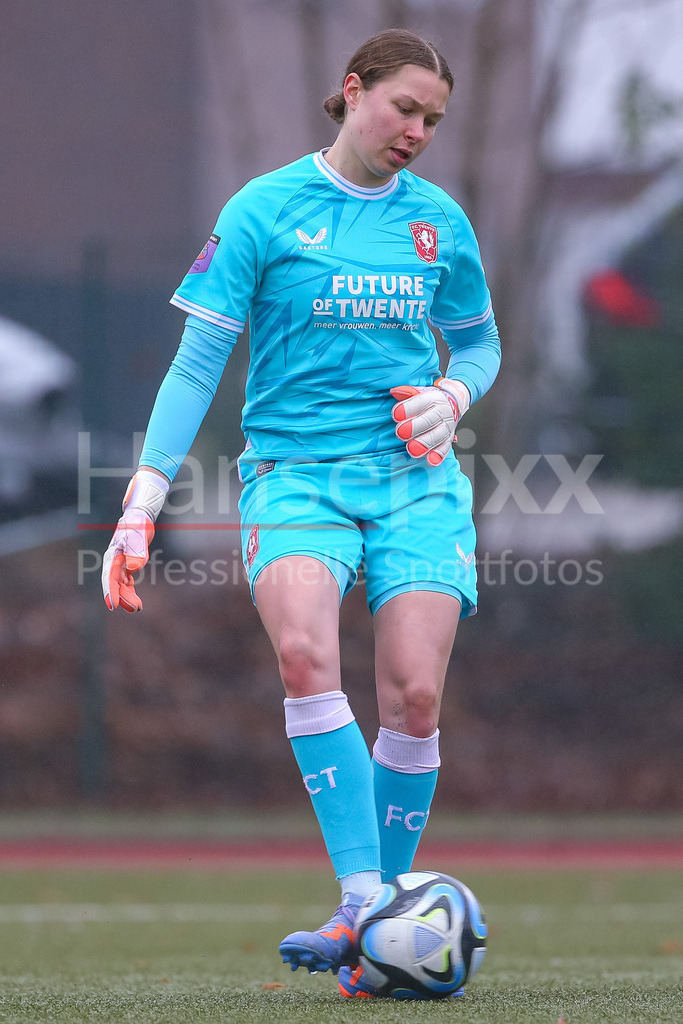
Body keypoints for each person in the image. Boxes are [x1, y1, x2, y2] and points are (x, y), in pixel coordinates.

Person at [101, 28, 501, 999]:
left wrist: (451, 396)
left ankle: (373, 918)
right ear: (351, 90)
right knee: (304, 656)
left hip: (413, 483)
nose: (417, 131)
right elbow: (198, 362)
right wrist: (142, 500)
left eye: (433, 120)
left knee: (410, 694)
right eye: (403, 107)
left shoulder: (438, 222)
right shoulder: (265, 209)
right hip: (295, 478)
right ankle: (367, 902)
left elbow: (479, 344)